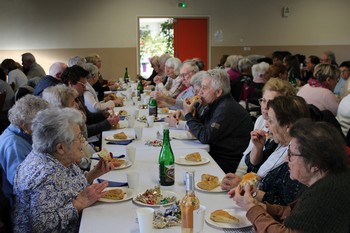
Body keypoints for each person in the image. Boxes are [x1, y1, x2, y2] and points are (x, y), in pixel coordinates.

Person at [230, 119, 350, 233]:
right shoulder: (325, 179)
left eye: (291, 154)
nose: (286, 159)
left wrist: (252, 208)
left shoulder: (328, 193)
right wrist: (258, 205)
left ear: (315, 163)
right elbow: (291, 213)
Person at [12, 108, 114, 232]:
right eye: (78, 137)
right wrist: (79, 203)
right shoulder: (44, 175)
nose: (83, 142)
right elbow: (41, 225)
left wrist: (93, 174)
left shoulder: (59, 157)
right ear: (60, 147)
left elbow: (69, 187)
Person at [183, 69, 253, 173]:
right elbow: (202, 127)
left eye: (205, 88)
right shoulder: (215, 103)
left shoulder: (225, 108)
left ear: (218, 92)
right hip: (215, 155)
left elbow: (205, 137)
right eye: (201, 87)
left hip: (227, 164)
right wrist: (193, 111)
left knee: (186, 170)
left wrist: (188, 115)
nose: (200, 92)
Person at [231, 78, 296, 179]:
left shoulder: (285, 134)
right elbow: (248, 158)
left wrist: (242, 184)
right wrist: (237, 176)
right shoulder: (261, 120)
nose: (265, 107)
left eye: (271, 103)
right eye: (263, 100)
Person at [0, 95, 49, 205]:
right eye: (39, 123)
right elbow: (24, 187)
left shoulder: (22, 133)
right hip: (20, 204)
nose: (43, 127)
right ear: (23, 124)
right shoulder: (14, 145)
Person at [61, 65, 119, 139]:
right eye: (82, 84)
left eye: (85, 84)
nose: (85, 88)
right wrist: (107, 123)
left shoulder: (78, 97)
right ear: (70, 83)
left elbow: (89, 117)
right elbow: (83, 131)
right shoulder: (65, 102)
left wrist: (103, 115)